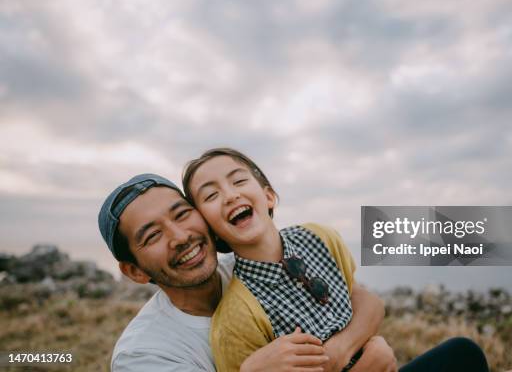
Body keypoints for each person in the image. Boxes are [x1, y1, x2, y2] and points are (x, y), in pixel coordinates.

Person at [181, 148, 491, 372]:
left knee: (464, 351)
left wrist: (342, 351)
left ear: (269, 196)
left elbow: (365, 301)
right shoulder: (236, 319)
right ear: (209, 229)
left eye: (238, 181)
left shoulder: (319, 237)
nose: (230, 195)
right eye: (211, 196)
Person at [98, 173, 395, 371]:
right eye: (152, 236)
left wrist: (342, 351)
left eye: (182, 214)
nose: (180, 237)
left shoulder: (247, 265)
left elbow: (362, 298)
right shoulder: (144, 354)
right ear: (134, 271)